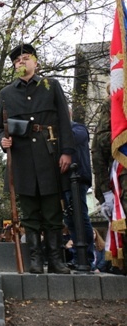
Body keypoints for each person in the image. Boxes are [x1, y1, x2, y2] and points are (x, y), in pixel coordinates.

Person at [0, 43, 74, 274]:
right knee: (29, 213)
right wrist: (3, 140)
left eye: (26, 58)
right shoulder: (6, 94)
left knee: (52, 211)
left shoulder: (51, 86)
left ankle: (57, 260)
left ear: (36, 62)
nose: (22, 62)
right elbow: (0, 128)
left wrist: (67, 151)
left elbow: (64, 122)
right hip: (21, 159)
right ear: (13, 67)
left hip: (49, 155)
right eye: (17, 60)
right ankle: (35, 260)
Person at [61, 108, 94, 269]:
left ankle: (86, 257)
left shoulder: (78, 129)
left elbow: (72, 140)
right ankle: (77, 256)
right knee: (70, 220)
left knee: (81, 217)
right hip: (64, 181)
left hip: (78, 178)